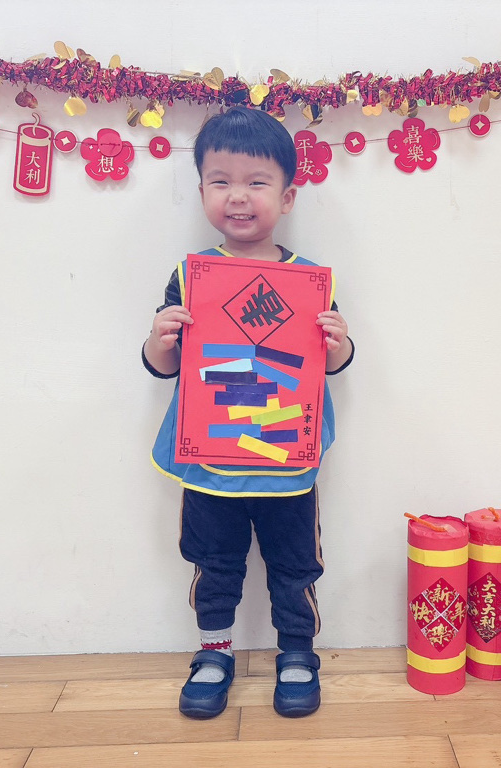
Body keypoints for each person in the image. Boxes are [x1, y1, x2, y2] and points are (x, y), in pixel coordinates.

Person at [142, 106, 354, 719]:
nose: (238, 196)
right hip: (211, 459)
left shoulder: (310, 280)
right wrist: (159, 339)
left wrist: (339, 343)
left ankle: (297, 653)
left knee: (295, 565)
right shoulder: (189, 276)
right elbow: (163, 366)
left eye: (256, 182)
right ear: (202, 191)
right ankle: (213, 653)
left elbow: (333, 363)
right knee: (214, 564)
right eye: (221, 181)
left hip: (285, 459)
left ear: (286, 197)